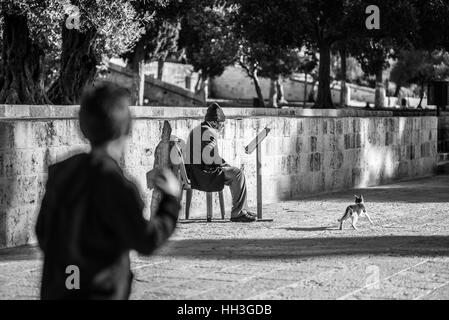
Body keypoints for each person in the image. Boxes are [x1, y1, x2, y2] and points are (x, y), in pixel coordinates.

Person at [35, 83, 181, 300]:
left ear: (83, 127)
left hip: (59, 291)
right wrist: (171, 200)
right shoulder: (115, 183)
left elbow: (42, 232)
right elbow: (146, 240)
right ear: (127, 129)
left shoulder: (62, 172)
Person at [185, 102, 256, 222]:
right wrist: (225, 166)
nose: (222, 127)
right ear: (214, 122)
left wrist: (224, 165)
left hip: (195, 171)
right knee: (237, 173)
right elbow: (210, 159)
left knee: (233, 171)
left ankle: (243, 209)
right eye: (221, 124)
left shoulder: (196, 130)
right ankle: (238, 213)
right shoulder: (209, 132)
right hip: (203, 174)